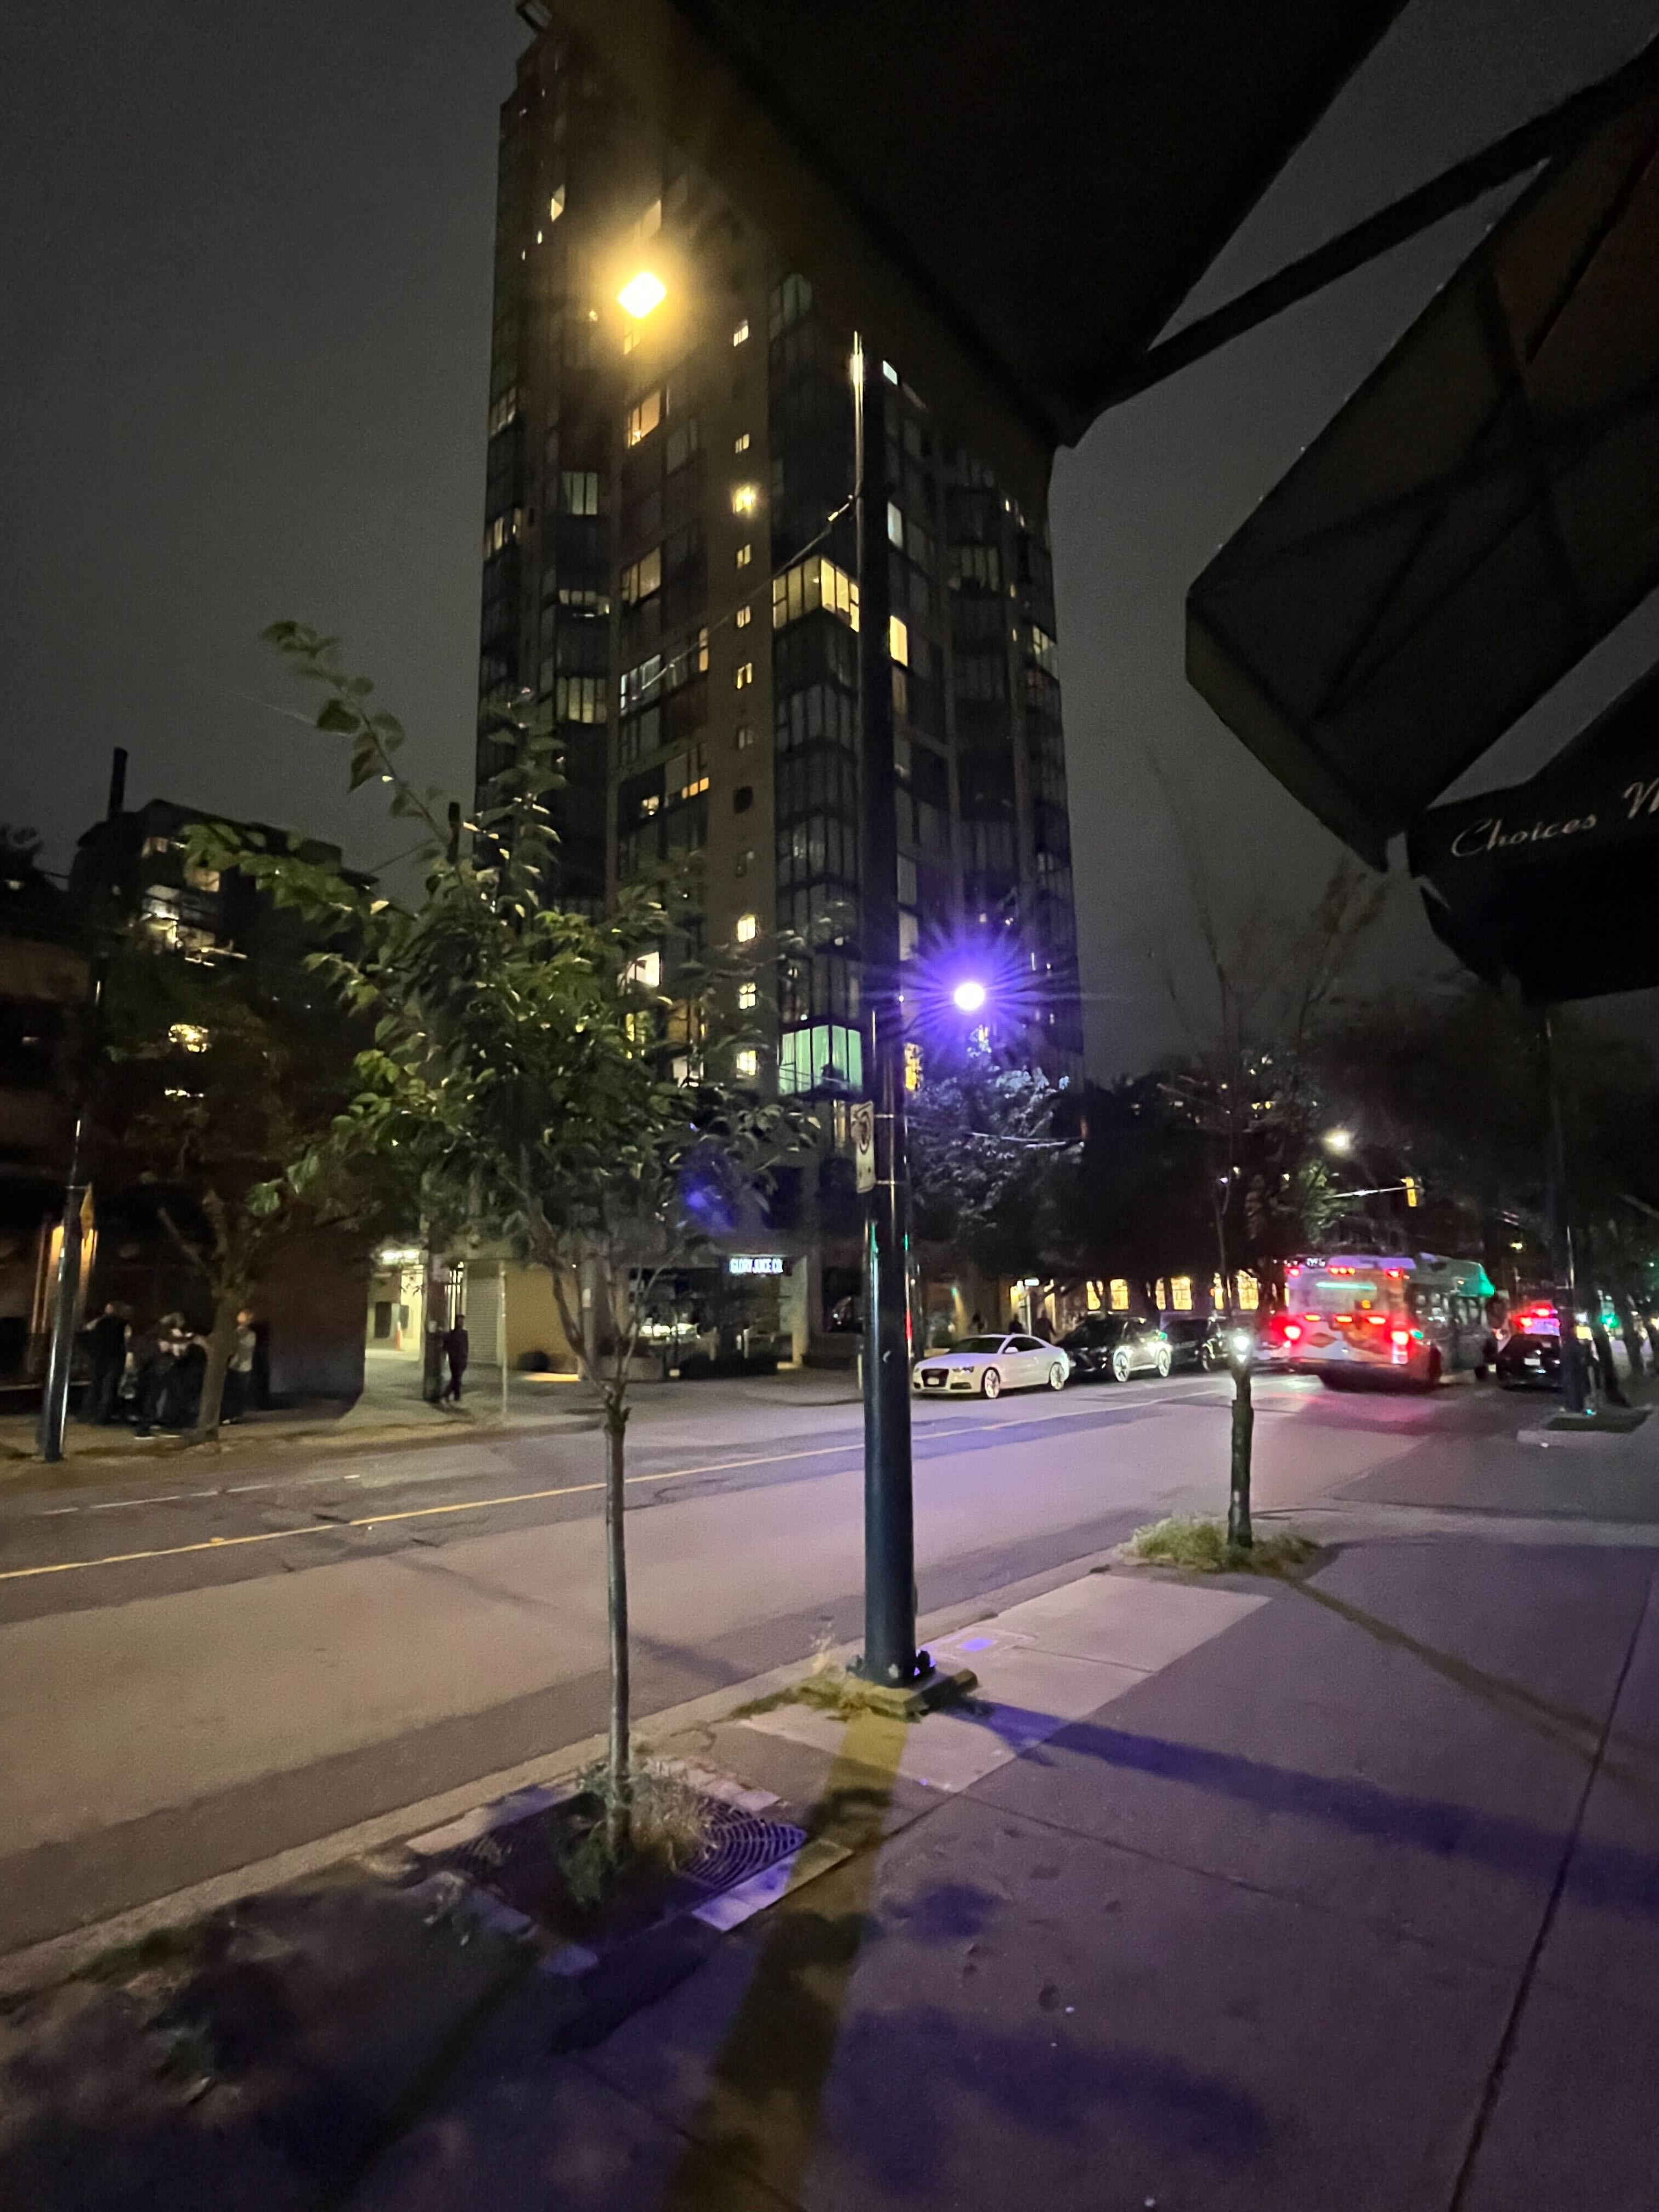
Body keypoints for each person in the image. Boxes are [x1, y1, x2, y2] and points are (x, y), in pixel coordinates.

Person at [83, 1301, 131, 1424]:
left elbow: (87, 1329)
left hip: (99, 1357)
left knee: (95, 1385)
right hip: (114, 1358)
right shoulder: (124, 1324)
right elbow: (126, 1342)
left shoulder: (101, 1322)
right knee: (108, 1387)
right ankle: (102, 1416)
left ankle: (87, 1413)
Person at [222, 1308, 257, 1423]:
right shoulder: (247, 1335)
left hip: (239, 1367)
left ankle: (233, 1415)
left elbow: (234, 1350)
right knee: (237, 1392)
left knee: (234, 1392)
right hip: (242, 1367)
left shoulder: (241, 1334)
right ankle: (233, 1415)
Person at [441, 1313, 469, 1403]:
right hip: (454, 1360)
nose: (462, 1323)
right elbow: (446, 1346)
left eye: (463, 1321)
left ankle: (456, 1395)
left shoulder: (465, 1334)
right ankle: (448, 1394)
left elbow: (466, 1347)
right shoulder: (451, 1334)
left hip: (462, 1359)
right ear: (456, 1322)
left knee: (457, 1378)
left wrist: (466, 1358)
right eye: (460, 1321)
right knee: (457, 1379)